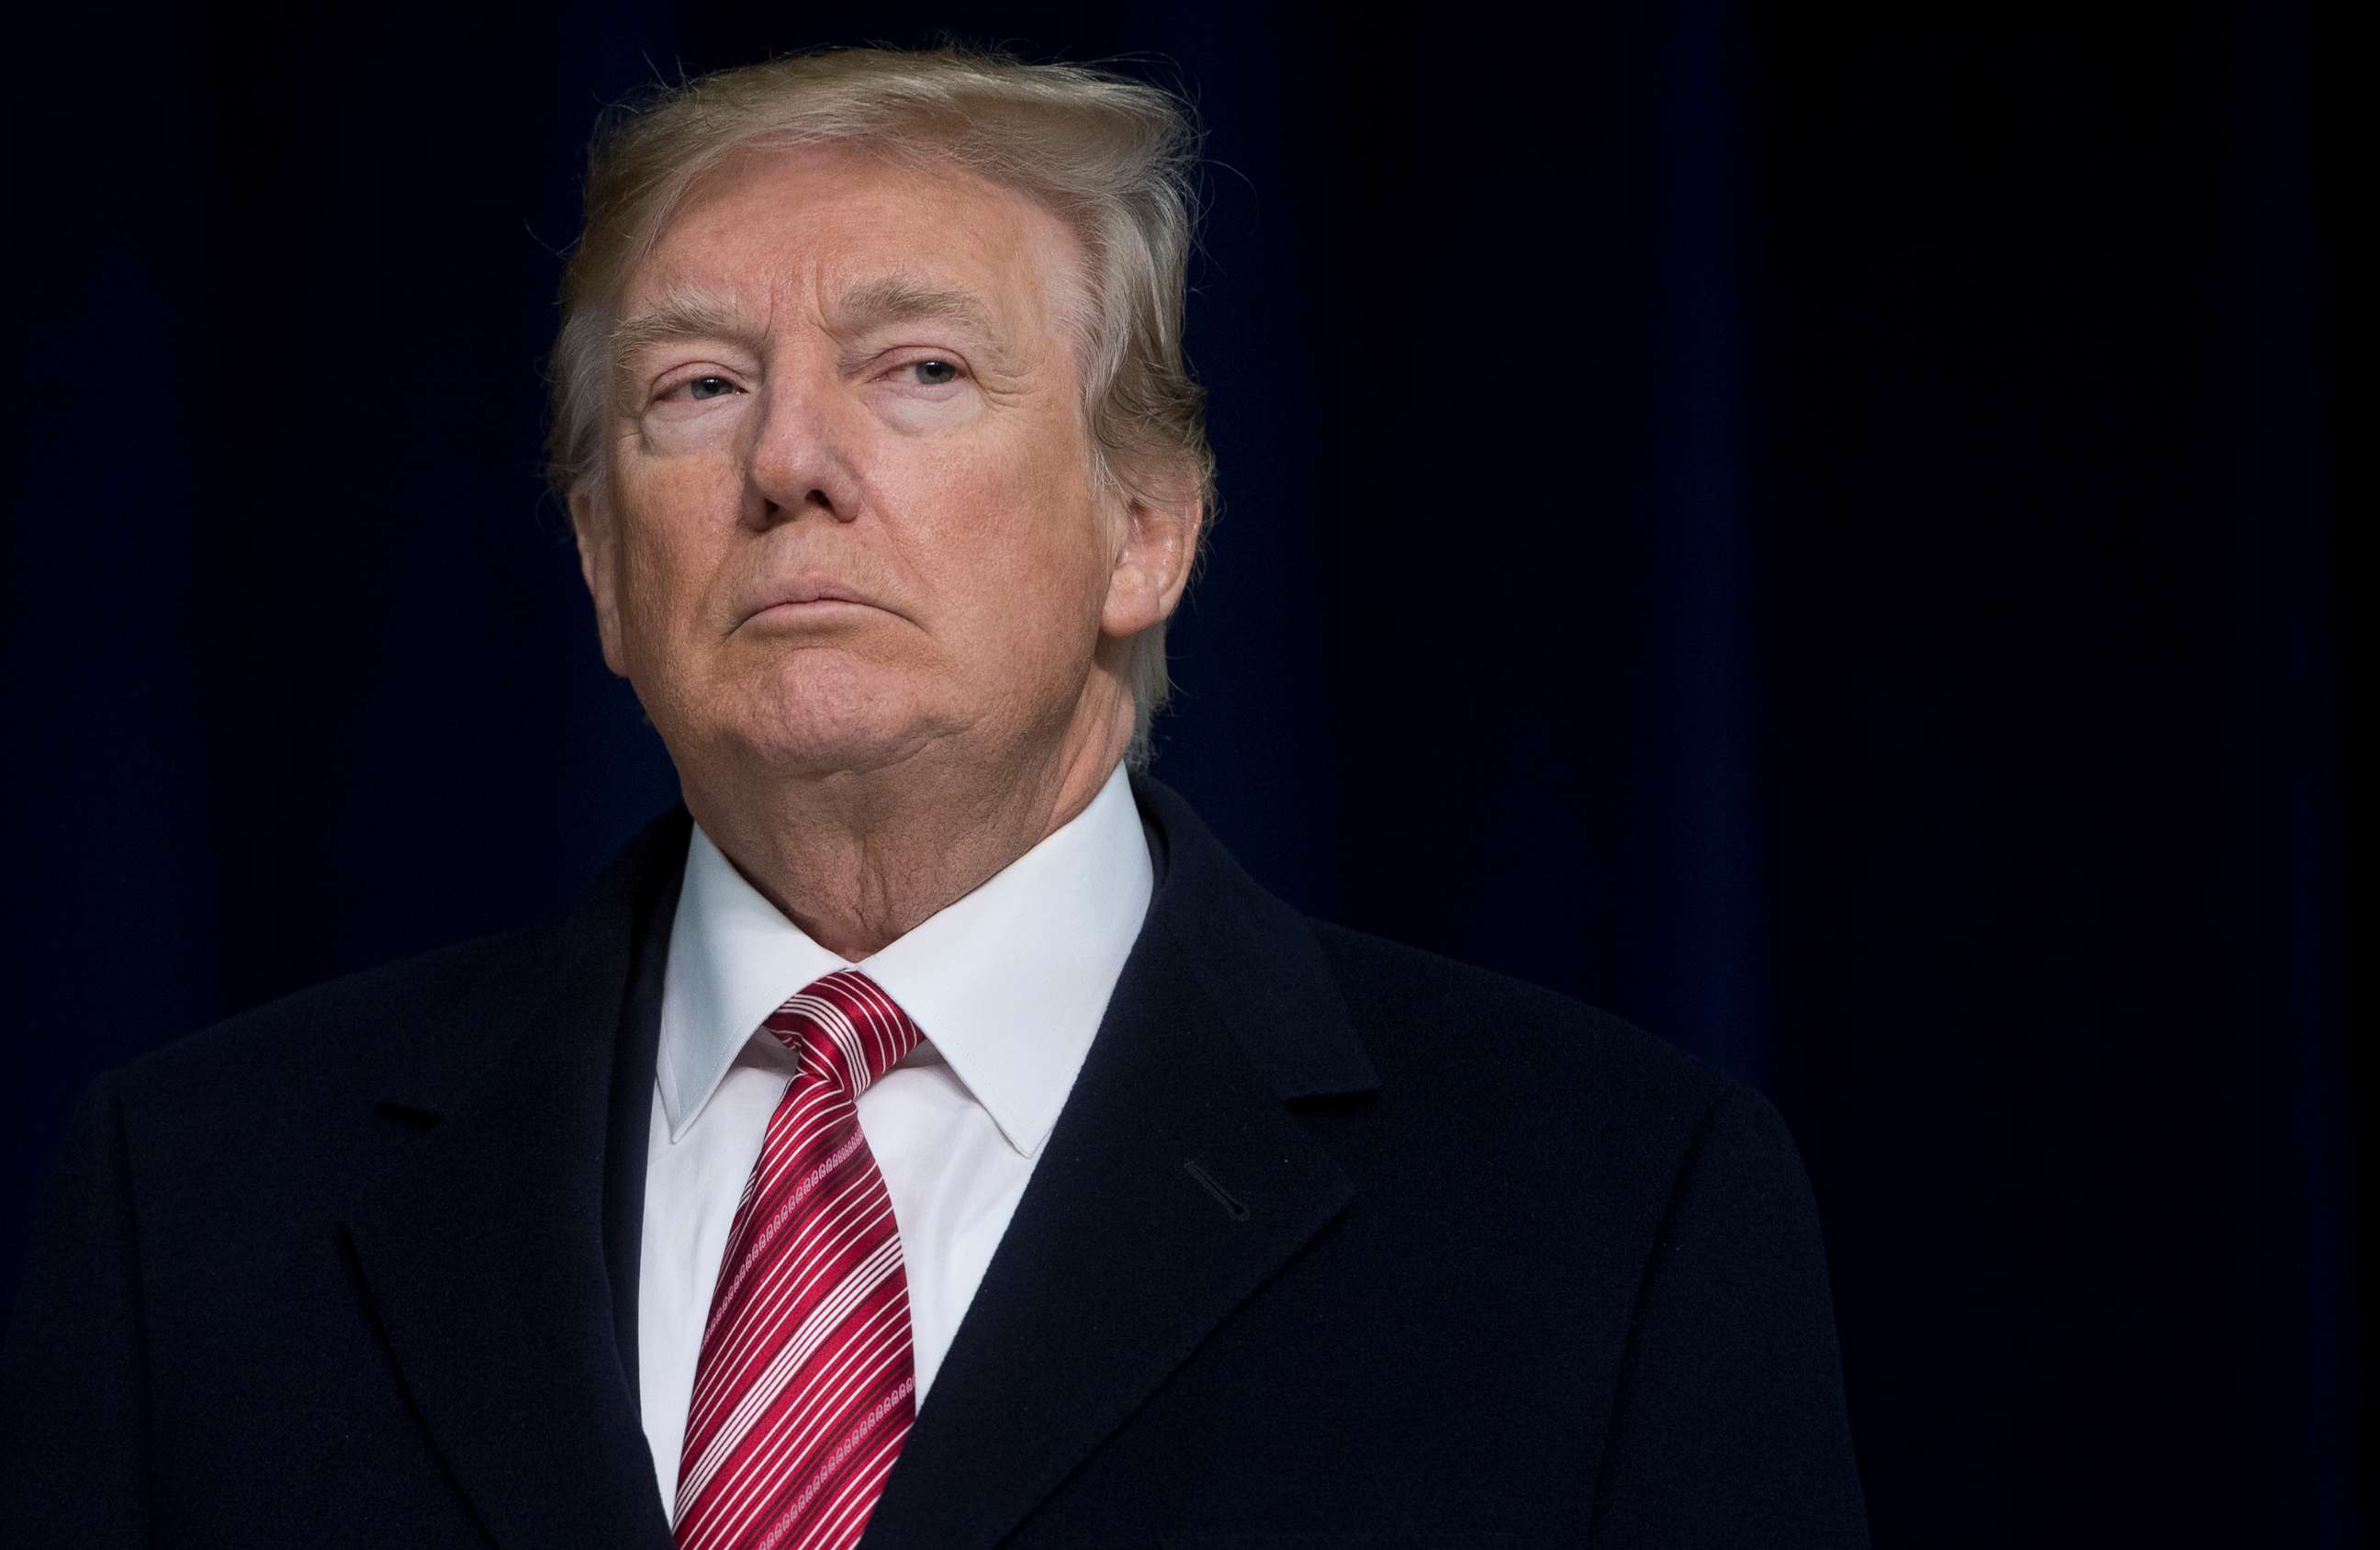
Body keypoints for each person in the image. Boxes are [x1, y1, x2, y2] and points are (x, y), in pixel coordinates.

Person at [0, 45, 1868, 1550]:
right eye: (698, 385)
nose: (792, 459)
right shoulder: (196, 1202)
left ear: (1146, 524)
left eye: (918, 369)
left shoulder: (1608, 1210)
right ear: (596, 559)